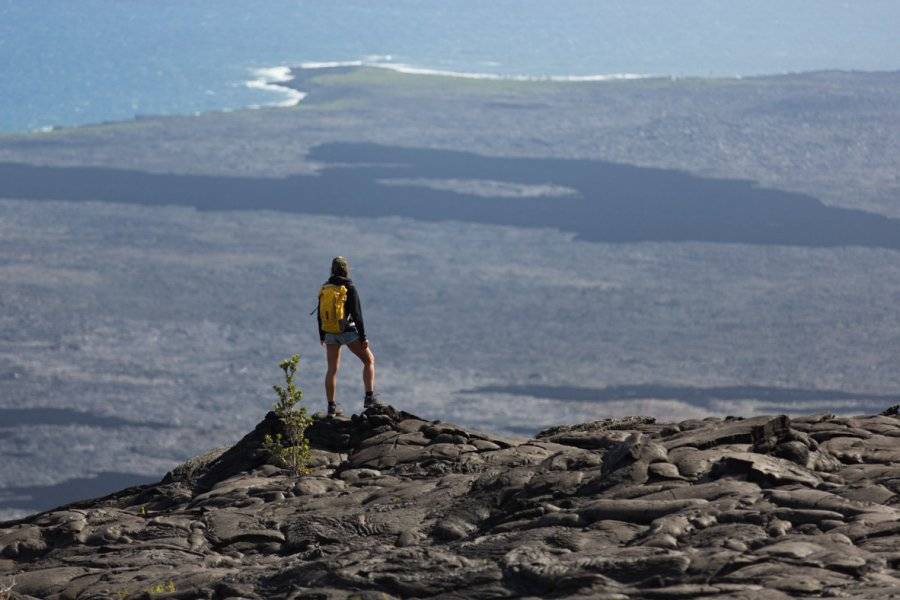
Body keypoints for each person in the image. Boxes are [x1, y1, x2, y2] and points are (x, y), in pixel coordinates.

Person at [317, 256, 378, 417]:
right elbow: (357, 315)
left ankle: (331, 407)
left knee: (332, 369)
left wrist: (322, 335)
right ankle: (369, 398)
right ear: (346, 269)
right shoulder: (349, 287)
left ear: (332, 269)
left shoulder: (325, 287)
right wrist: (363, 337)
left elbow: (320, 313)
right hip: (348, 332)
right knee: (369, 360)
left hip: (330, 332)